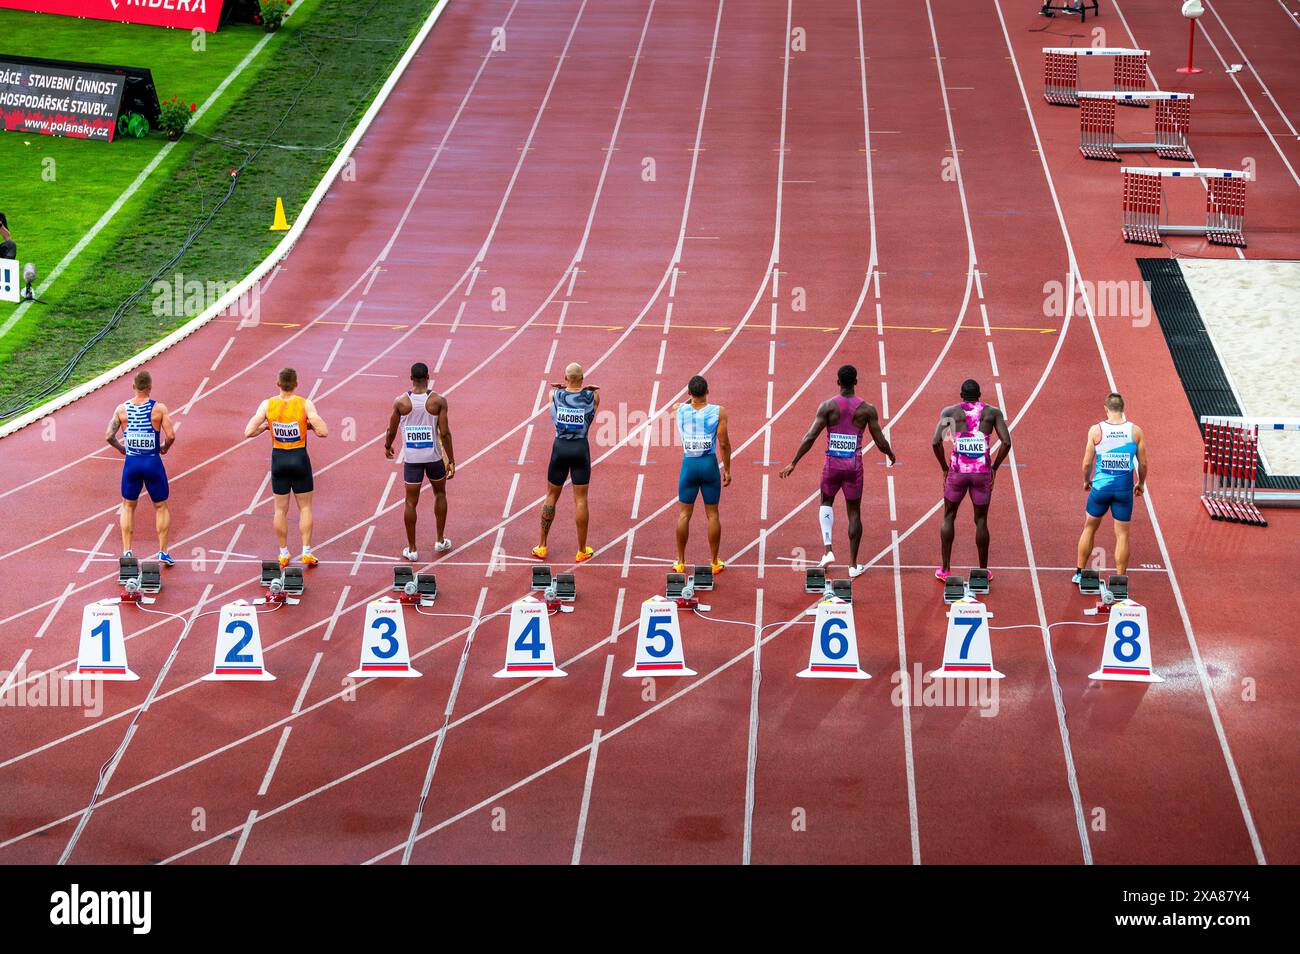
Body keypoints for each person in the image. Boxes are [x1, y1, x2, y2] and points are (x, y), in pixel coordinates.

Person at [779, 365, 895, 577]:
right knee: (854, 513)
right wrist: (890, 453)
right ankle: (852, 565)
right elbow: (880, 441)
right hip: (853, 467)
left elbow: (810, 437)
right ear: (856, 382)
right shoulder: (867, 409)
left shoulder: (827, 407)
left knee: (826, 502)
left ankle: (828, 550)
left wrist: (794, 462)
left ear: (838, 382)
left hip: (832, 465)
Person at [243, 367, 328, 568]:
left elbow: (248, 432)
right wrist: (308, 425)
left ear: (278, 384)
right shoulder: (305, 404)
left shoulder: (267, 404)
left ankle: (283, 552)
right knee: (305, 507)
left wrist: (266, 426)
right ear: (296, 384)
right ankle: (306, 550)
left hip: (279, 460)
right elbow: (323, 432)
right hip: (299, 459)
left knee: (280, 510)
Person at [931, 378, 1011, 581]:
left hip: (957, 471)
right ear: (980, 395)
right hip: (981, 472)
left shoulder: (950, 412)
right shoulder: (992, 413)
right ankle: (982, 571)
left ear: (961, 395)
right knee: (981, 520)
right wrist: (994, 467)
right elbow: (1007, 442)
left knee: (949, 516)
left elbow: (935, 442)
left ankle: (946, 569)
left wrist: (944, 467)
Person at [385, 362, 455, 561]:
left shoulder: (401, 403)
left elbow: (391, 429)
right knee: (440, 493)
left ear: (410, 378)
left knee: (410, 502)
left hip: (412, 460)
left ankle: (412, 549)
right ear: (428, 377)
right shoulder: (438, 401)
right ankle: (440, 540)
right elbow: (446, 433)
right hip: (434, 458)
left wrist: (387, 445)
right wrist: (452, 459)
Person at [1074, 392, 1147, 582]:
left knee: (1089, 528)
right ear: (1123, 409)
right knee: (1122, 535)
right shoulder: (1135, 431)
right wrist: (1141, 483)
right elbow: (1144, 464)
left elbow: (1086, 463)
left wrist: (1086, 480)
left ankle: (1079, 573)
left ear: (1106, 409)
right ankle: (1120, 578)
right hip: (1124, 490)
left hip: (1100, 488)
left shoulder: (1096, 430)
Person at [105, 370, 176, 565]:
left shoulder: (122, 409)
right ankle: (163, 552)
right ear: (150, 387)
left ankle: (127, 551)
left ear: (133, 386)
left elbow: (108, 436)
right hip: (152, 462)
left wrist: (122, 448)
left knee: (128, 505)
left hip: (132, 463)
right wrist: (164, 448)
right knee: (160, 506)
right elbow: (170, 436)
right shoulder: (158, 409)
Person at [533, 363, 598, 563]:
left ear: (565, 377)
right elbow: (592, 401)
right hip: (580, 448)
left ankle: (542, 546)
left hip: (560, 448)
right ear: (583, 378)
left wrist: (561, 388)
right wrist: (585, 389)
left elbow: (553, 394)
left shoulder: (555, 395)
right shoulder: (592, 397)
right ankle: (581, 550)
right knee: (580, 500)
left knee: (551, 496)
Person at [674, 375, 732, 575]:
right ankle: (715, 562)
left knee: (684, 515)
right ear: (708, 391)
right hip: (709, 464)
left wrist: (690, 398)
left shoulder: (680, 410)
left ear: (689, 393)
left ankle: (680, 561)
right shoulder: (718, 412)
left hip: (689, 465)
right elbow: (723, 443)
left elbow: (682, 403)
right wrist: (727, 469)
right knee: (713, 515)